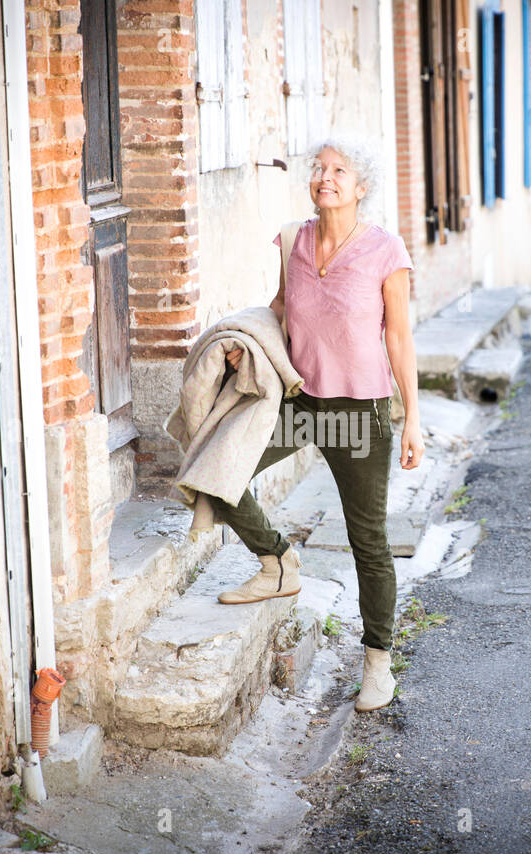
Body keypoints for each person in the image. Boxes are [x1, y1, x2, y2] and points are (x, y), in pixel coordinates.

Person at [211, 135, 424, 713]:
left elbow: (398, 338)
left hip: (361, 413)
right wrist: (248, 345)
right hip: (301, 401)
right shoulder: (295, 241)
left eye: (339, 170)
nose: (324, 177)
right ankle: (278, 561)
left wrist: (412, 418)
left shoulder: (385, 251)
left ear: (361, 188)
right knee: (219, 470)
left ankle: (378, 662)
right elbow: (281, 307)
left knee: (368, 541)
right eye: (318, 168)